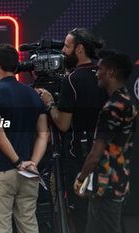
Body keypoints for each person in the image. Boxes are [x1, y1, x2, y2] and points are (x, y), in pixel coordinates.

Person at [37, 28, 108, 233]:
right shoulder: (106, 74)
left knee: (82, 217)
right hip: (107, 157)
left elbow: (63, 124)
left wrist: (50, 104)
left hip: (80, 160)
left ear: (79, 49)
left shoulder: (72, 81)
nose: (63, 52)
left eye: (66, 47)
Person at [0, 43, 49, 233]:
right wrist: (31, 164)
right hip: (30, 172)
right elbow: (43, 134)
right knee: (29, 225)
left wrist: (18, 162)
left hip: (3, 170)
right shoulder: (34, 95)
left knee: (1, 228)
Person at [73, 49, 137, 233]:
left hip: (106, 188)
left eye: (100, 69)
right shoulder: (127, 101)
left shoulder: (112, 108)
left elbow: (96, 153)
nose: (97, 73)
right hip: (117, 183)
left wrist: (80, 180)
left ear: (111, 72)